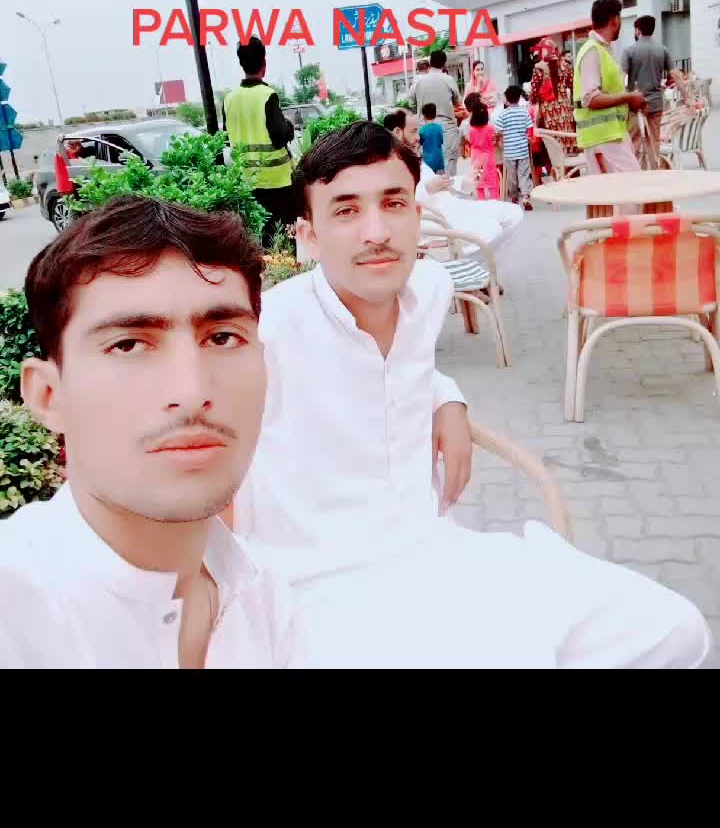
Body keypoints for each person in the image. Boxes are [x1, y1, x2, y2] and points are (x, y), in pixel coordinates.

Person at [232, 123, 708, 668]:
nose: (376, 231)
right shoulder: (262, 334)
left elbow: (402, 366)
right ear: (309, 235)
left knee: (674, 630)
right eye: (346, 211)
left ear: (417, 215)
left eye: (393, 204)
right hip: (316, 589)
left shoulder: (429, 290)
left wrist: (446, 397)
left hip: (437, 556)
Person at [0, 196, 303, 669]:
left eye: (223, 337)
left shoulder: (264, 598)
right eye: (128, 345)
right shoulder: (16, 615)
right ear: (48, 395)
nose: (192, 391)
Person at [384, 109, 523, 250]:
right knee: (492, 230)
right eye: (413, 131)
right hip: (438, 218)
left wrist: (466, 180)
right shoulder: (388, 166)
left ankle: (481, 258)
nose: (418, 137)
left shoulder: (413, 159)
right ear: (397, 132)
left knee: (514, 213)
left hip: (454, 206)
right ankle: (467, 259)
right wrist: (427, 188)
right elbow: (395, 201)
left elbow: (439, 183)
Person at [223, 35, 296, 246]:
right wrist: (289, 126)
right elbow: (279, 136)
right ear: (264, 63)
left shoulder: (229, 99)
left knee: (257, 237)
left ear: (241, 64)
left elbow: (226, 137)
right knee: (282, 238)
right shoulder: (267, 95)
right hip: (276, 180)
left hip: (246, 181)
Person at [574, 0, 647, 175]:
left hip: (609, 136)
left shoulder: (601, 50)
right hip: (604, 139)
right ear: (614, 20)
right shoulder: (593, 51)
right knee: (634, 186)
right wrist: (629, 97)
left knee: (619, 190)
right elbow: (590, 98)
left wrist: (629, 101)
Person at [621, 16, 674, 171]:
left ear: (638, 30)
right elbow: (675, 74)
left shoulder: (629, 51)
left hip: (634, 104)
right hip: (656, 103)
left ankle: (633, 173)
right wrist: (687, 98)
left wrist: (619, 98)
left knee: (633, 142)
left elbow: (621, 77)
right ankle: (654, 172)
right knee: (653, 142)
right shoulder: (663, 50)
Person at [409, 50, 462, 177]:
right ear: (444, 64)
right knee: (448, 166)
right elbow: (457, 102)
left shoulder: (418, 81)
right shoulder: (448, 80)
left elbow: (411, 103)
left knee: (427, 167)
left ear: (430, 62)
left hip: (424, 128)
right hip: (447, 129)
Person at [495, 86, 534, 210]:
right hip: (522, 150)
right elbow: (530, 129)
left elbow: (498, 131)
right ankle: (526, 196)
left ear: (506, 99)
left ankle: (514, 196)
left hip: (509, 151)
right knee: (524, 174)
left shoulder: (503, 114)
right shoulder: (524, 112)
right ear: (519, 98)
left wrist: (498, 139)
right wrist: (527, 137)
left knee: (512, 176)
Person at [529, 37, 575, 137]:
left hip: (548, 114)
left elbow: (533, 96)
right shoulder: (565, 66)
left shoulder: (538, 68)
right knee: (567, 137)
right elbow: (573, 88)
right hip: (565, 112)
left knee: (551, 142)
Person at [468, 102, 500, 200]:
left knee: (479, 181)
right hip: (488, 158)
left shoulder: (471, 130)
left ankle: (481, 201)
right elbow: (494, 143)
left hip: (476, 159)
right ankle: (494, 200)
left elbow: (470, 142)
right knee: (492, 181)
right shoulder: (490, 129)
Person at [419, 103, 445, 173]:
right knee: (440, 177)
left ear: (424, 116)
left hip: (427, 160)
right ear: (435, 115)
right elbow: (441, 141)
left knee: (429, 177)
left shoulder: (422, 130)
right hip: (439, 159)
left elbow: (420, 143)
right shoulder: (439, 127)